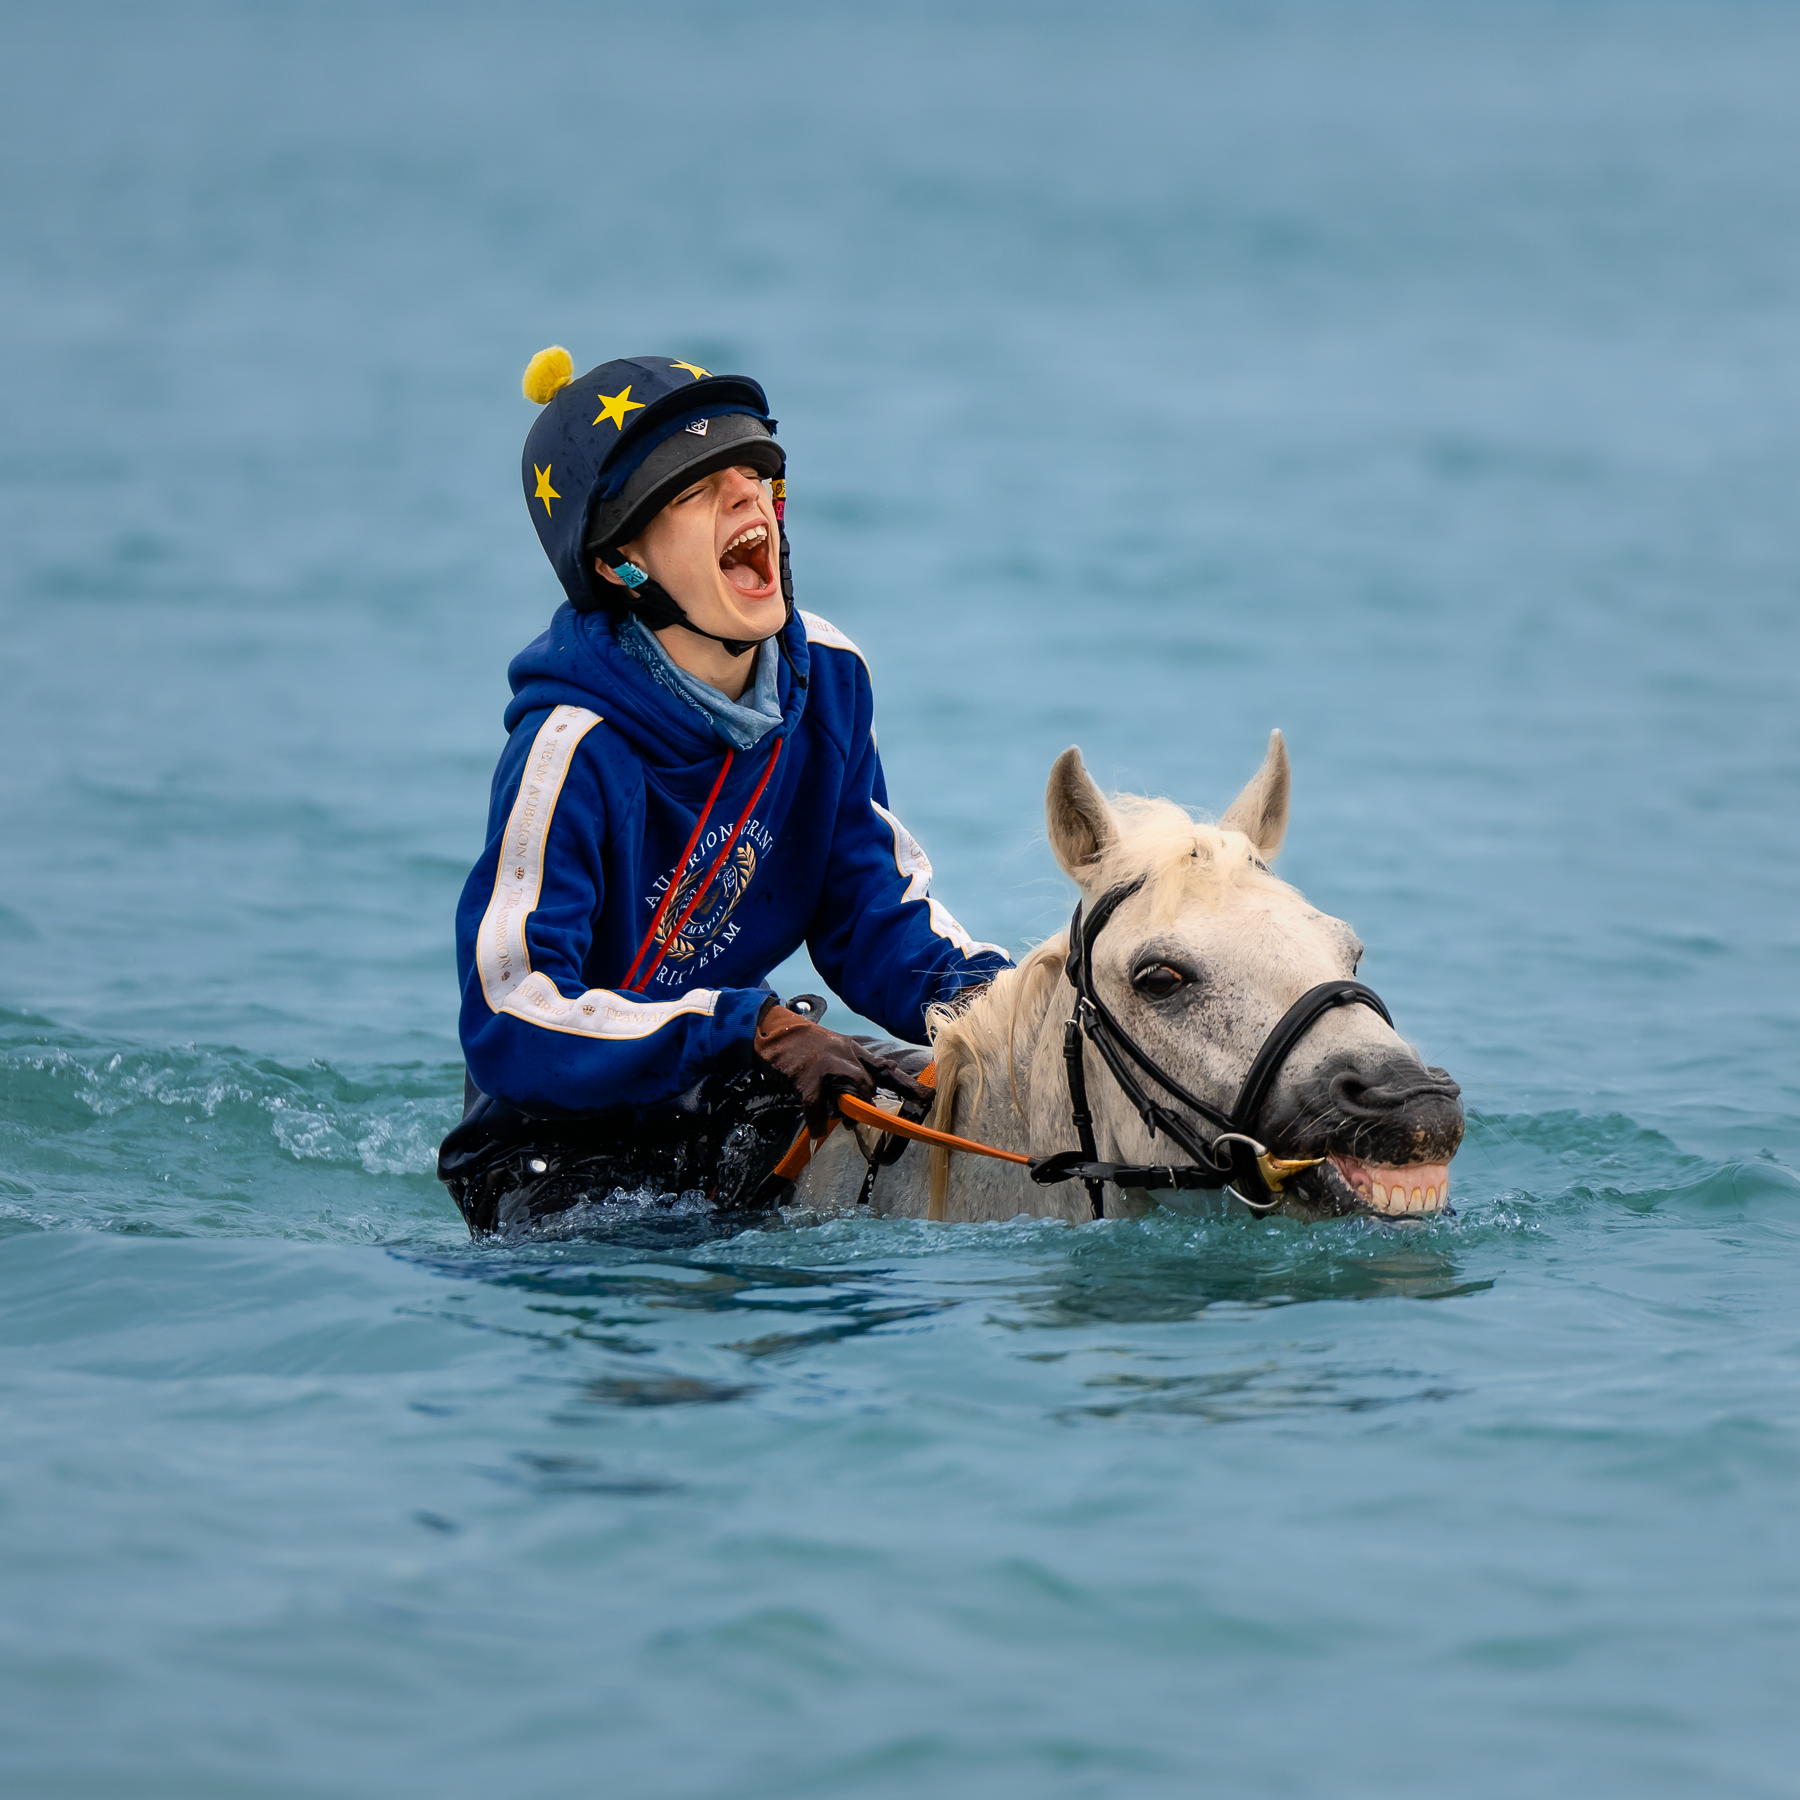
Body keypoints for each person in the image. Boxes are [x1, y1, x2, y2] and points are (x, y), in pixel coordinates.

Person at [437, 348, 1011, 1235]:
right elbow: (511, 1014)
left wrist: (1014, 1016)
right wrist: (759, 1032)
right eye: (693, 490)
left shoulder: (831, 680)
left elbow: (874, 922)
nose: (747, 496)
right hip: (549, 1142)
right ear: (621, 561)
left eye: (753, 472)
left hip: (727, 1077)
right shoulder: (568, 747)